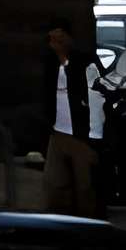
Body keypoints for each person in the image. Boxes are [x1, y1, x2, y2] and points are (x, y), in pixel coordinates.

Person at [42, 16, 104, 216]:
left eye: (61, 39)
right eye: (53, 40)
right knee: (56, 186)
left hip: (81, 134)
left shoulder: (83, 61)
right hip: (58, 132)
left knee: (85, 189)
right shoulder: (50, 64)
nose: (57, 44)